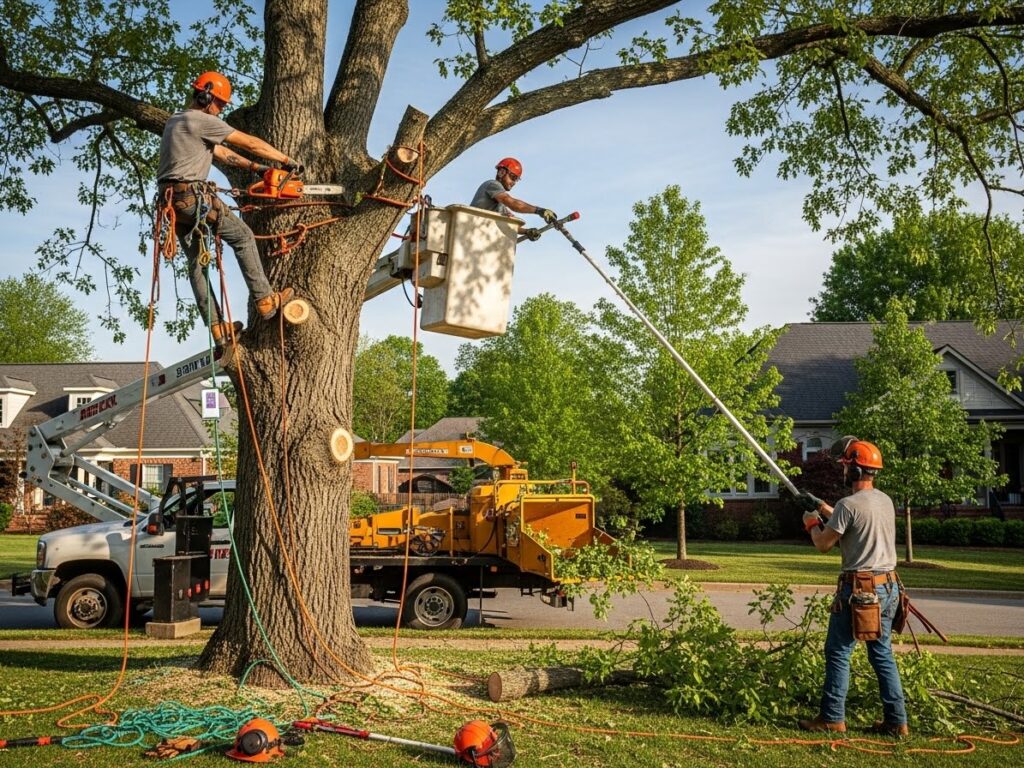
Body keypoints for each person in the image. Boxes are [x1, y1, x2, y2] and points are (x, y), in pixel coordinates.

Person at [157, 71, 298, 346]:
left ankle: (218, 328)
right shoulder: (201, 120)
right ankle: (265, 299)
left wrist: (259, 168)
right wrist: (286, 159)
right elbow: (248, 142)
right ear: (205, 95)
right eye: (219, 103)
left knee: (197, 263)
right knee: (243, 237)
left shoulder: (176, 121)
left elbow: (223, 154)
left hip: (172, 203)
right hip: (193, 199)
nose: (220, 110)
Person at [796, 437, 909, 737]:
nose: (843, 471)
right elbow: (854, 520)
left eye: (846, 466)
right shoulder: (885, 501)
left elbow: (823, 543)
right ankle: (897, 721)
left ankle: (832, 717)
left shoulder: (848, 505)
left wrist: (810, 520)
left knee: (837, 651)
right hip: (888, 588)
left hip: (859, 591)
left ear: (855, 471)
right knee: (881, 652)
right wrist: (819, 504)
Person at [471, 158, 557, 240]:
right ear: (501, 172)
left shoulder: (499, 205)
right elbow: (513, 203)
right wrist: (539, 210)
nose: (514, 183)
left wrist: (527, 231)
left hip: (481, 235)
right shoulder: (492, 184)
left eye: (516, 180)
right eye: (513, 177)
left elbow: (510, 225)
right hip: (473, 231)